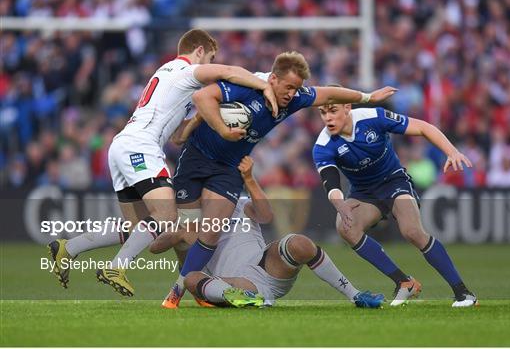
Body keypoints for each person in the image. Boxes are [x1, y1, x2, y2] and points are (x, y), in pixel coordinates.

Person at [46, 29, 278, 296]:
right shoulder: (184, 70)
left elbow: (177, 133)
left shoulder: (165, 74)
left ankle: (69, 248)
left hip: (122, 145)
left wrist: (193, 126)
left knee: (138, 228)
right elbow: (227, 71)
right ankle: (116, 268)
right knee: (167, 217)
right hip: (142, 146)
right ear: (199, 51)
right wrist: (263, 85)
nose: (209, 64)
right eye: (209, 57)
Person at [164, 50, 397, 306]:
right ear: (272, 79)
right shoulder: (245, 88)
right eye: (288, 87)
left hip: (230, 167)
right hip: (196, 159)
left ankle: (177, 292)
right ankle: (195, 286)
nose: (292, 94)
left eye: (296, 89)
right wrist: (223, 129)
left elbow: (327, 93)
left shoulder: (294, 98)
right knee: (189, 231)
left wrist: (367, 97)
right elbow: (201, 96)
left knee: (209, 233)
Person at [152, 156, 384, 309]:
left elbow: (266, 216)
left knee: (300, 243)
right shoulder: (189, 215)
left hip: (266, 267)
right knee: (192, 279)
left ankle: (355, 295)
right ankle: (246, 299)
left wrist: (250, 179)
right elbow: (155, 246)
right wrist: (180, 234)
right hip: (232, 282)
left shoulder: (240, 203)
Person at [312, 100, 477, 307]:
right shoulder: (323, 145)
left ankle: (463, 293)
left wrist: (452, 151)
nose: (327, 118)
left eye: (333, 111)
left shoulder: (373, 117)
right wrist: (340, 205)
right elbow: (331, 182)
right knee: (345, 227)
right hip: (363, 192)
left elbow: (424, 127)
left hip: (393, 181)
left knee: (412, 232)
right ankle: (404, 282)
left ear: (347, 108)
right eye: (322, 112)